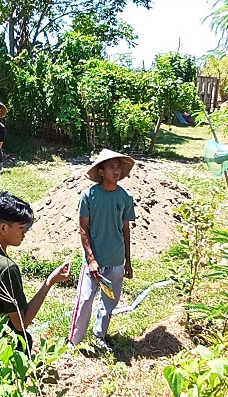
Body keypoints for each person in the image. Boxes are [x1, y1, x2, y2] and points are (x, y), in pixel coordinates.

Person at [0, 191, 72, 352]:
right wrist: (49, 282)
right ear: (4, 228)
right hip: (2, 354)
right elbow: (21, 323)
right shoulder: (6, 268)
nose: (24, 232)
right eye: (21, 227)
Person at [68, 150, 137, 350]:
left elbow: (125, 230)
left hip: (115, 260)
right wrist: (91, 259)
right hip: (94, 262)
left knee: (109, 303)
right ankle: (74, 342)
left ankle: (100, 335)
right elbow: (83, 229)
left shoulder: (125, 197)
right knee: (85, 300)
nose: (116, 171)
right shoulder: (89, 196)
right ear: (101, 171)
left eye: (118, 167)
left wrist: (127, 262)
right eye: (111, 167)